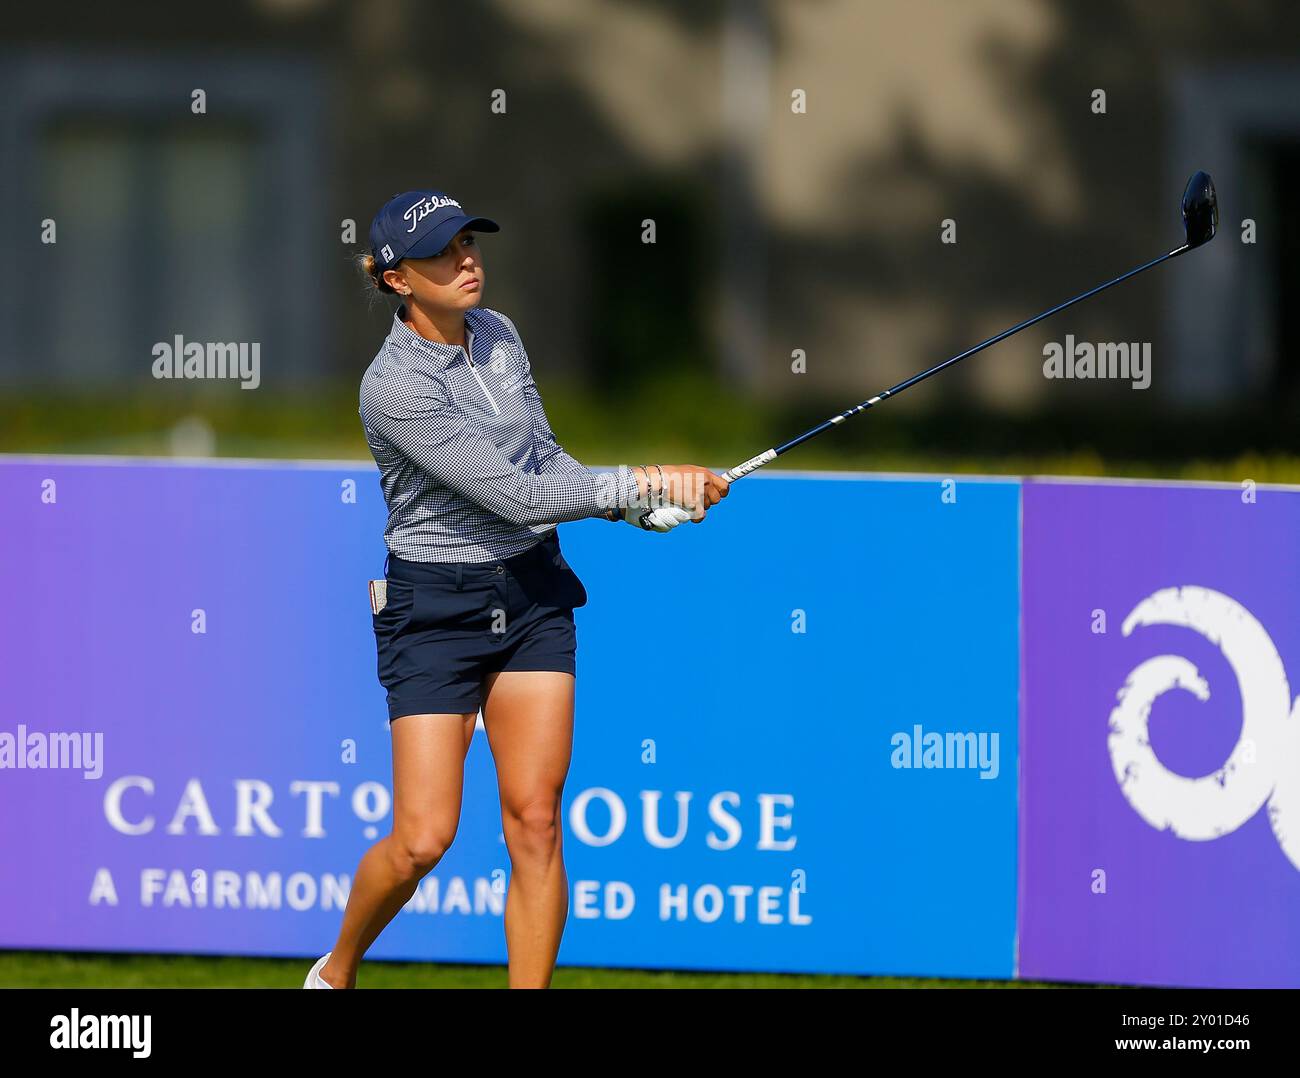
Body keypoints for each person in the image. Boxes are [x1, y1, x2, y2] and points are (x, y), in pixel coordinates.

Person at [304, 189, 728, 989]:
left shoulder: (500, 335)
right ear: (397, 280)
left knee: (535, 821)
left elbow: (548, 466)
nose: (467, 260)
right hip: (433, 609)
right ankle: (335, 970)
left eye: (469, 242)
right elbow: (513, 496)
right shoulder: (392, 388)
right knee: (423, 839)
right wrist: (639, 483)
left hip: (532, 592)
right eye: (442, 252)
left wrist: (637, 510)